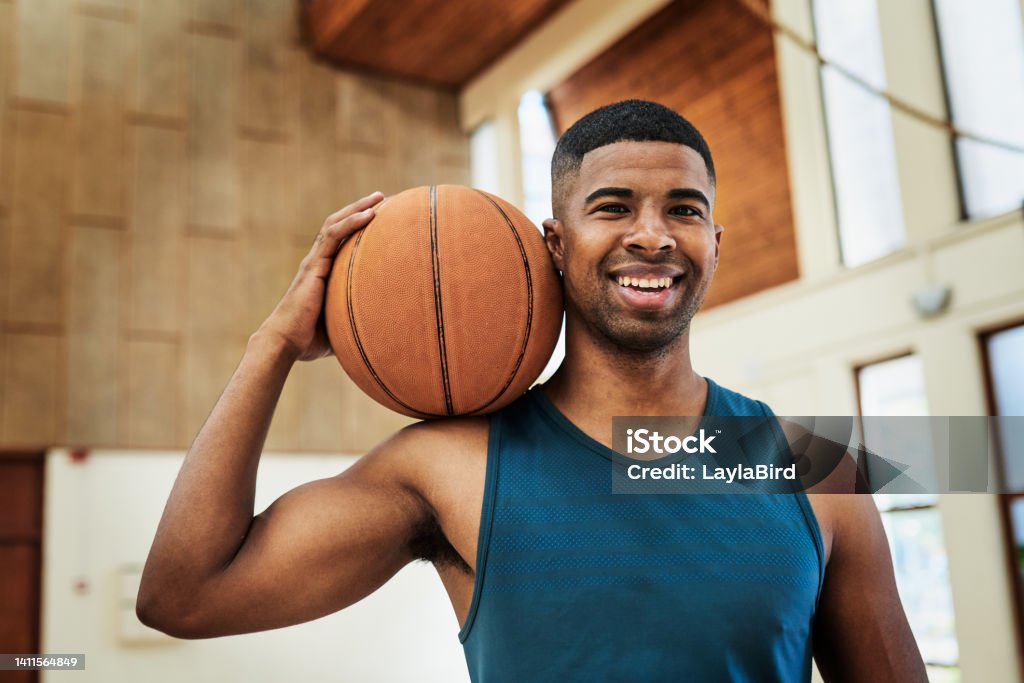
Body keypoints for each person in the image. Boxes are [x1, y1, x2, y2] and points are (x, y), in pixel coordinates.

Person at [138, 100, 927, 681]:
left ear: (713, 245)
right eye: (612, 206)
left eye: (683, 211)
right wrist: (273, 343)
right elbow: (185, 595)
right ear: (555, 241)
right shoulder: (451, 463)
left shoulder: (818, 469)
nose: (652, 234)